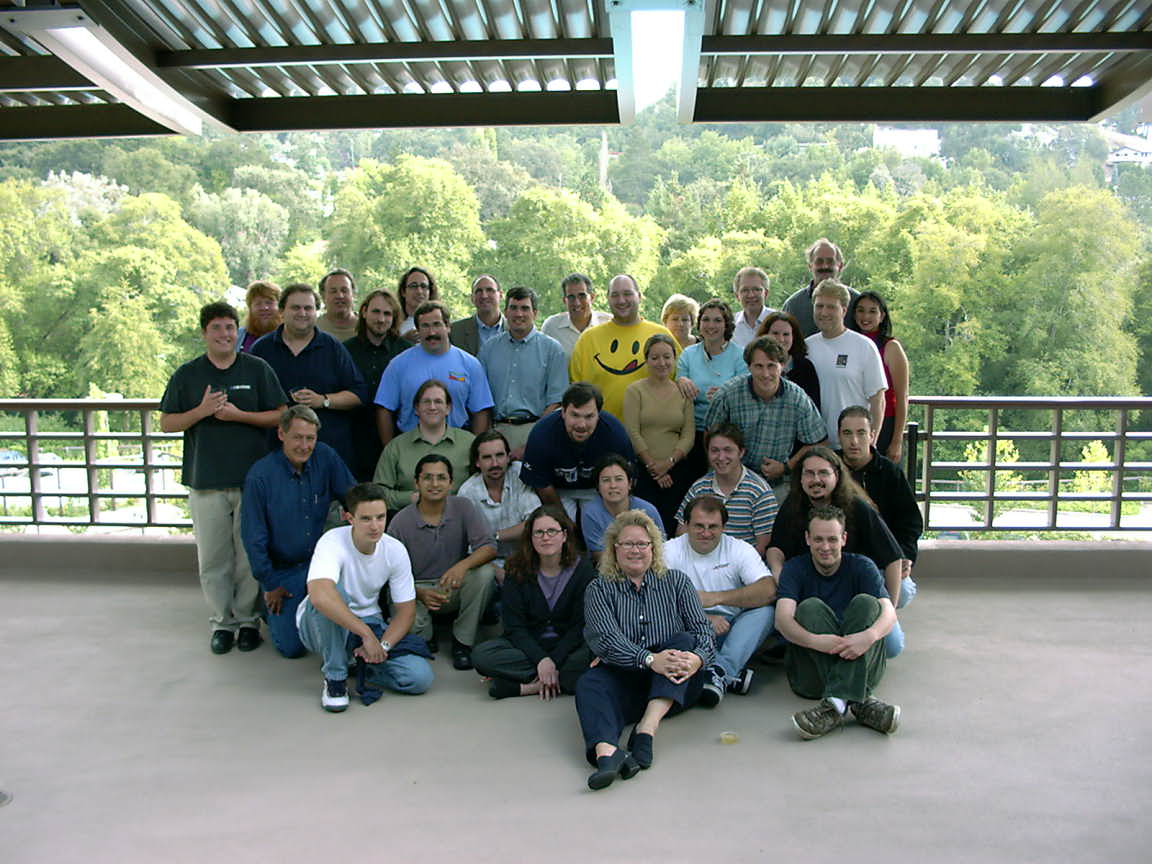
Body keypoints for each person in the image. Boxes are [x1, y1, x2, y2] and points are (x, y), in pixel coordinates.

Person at [160, 301, 286, 654]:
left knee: (248, 556)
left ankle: (247, 621)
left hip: (251, 481)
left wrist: (239, 415)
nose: (224, 334)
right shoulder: (188, 374)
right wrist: (201, 411)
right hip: (205, 481)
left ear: (237, 331)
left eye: (229, 327)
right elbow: (167, 423)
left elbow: (281, 415)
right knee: (213, 559)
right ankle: (221, 623)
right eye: (216, 327)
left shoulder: (257, 369)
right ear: (204, 333)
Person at [576, 510, 715, 790]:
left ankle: (646, 729)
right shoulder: (599, 589)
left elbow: (704, 631)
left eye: (642, 543)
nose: (635, 550)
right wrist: (650, 659)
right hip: (628, 675)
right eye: (627, 544)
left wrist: (698, 660)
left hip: (677, 683)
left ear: (653, 548)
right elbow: (606, 640)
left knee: (682, 641)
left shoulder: (677, 582)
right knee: (589, 682)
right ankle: (608, 755)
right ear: (614, 549)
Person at [295, 483, 434, 712]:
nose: (375, 526)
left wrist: (382, 646)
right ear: (349, 518)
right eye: (366, 519)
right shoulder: (331, 541)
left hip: (369, 621)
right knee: (335, 593)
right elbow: (319, 597)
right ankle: (336, 679)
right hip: (319, 623)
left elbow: (406, 612)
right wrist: (366, 634)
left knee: (420, 678)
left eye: (380, 517)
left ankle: (355, 660)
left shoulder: (395, 550)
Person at [765, 446, 906, 657]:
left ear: (837, 476)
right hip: (813, 586)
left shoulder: (858, 508)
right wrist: (780, 575)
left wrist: (888, 611)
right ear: (800, 478)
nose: (816, 480)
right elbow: (775, 548)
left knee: (892, 647)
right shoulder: (792, 507)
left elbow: (893, 558)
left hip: (857, 588)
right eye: (809, 473)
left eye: (823, 473)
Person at [241, 405, 357, 659]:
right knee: (291, 649)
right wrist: (270, 583)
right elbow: (253, 537)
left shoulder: (326, 457)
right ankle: (269, 607)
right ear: (281, 434)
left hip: (322, 564)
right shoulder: (260, 477)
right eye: (297, 437)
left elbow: (353, 496)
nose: (304, 446)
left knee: (348, 628)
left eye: (310, 438)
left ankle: (314, 609)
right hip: (284, 571)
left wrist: (361, 520)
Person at [775, 505, 900, 740]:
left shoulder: (862, 566)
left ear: (844, 539)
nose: (825, 547)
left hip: (861, 659)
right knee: (809, 608)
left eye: (832, 539)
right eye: (818, 539)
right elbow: (782, 620)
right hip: (812, 675)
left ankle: (834, 704)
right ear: (807, 539)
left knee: (866, 603)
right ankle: (860, 701)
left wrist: (869, 636)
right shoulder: (794, 568)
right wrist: (815, 641)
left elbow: (889, 614)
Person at [386, 454, 498, 670]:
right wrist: (418, 593)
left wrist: (462, 565)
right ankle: (427, 635)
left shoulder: (463, 507)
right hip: (415, 590)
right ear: (416, 483)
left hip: (451, 584)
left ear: (451, 483)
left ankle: (462, 642)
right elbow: (387, 574)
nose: (435, 484)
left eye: (441, 478)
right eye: (427, 478)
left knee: (485, 574)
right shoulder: (400, 521)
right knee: (417, 638)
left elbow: (489, 547)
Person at [472, 505, 595, 699]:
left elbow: (580, 627)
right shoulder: (516, 569)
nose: (545, 537)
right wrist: (542, 660)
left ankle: (525, 687)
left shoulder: (583, 570)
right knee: (482, 656)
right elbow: (514, 627)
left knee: (592, 658)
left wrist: (553, 661)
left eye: (552, 531)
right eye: (538, 532)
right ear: (530, 538)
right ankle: (555, 680)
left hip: (569, 647)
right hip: (529, 646)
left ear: (564, 535)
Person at [664, 495, 776, 706]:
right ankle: (726, 674)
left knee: (767, 612)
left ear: (724, 527)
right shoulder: (668, 551)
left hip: (734, 630)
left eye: (713, 527)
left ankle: (715, 670)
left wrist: (716, 598)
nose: (706, 533)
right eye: (699, 526)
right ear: (686, 525)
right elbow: (654, 600)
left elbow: (768, 590)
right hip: (690, 629)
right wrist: (704, 618)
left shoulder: (739, 549)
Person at [249, 283, 365, 469]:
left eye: (308, 308)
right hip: (274, 455)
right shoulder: (262, 349)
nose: (302, 313)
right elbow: (249, 400)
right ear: (282, 311)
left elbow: (358, 394)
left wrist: (323, 400)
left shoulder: (332, 347)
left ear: (316, 312)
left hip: (327, 454)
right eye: (295, 307)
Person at [838, 406, 921, 655]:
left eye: (861, 433)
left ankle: (882, 617)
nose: (854, 441)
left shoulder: (890, 472)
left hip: (884, 562)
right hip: (841, 561)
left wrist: (905, 555)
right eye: (847, 433)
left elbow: (911, 522)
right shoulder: (830, 469)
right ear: (839, 435)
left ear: (873, 435)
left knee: (903, 593)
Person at [704, 336, 827, 497]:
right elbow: (709, 435)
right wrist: (725, 466)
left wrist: (786, 467)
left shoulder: (797, 398)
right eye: (758, 366)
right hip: (729, 479)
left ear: (782, 366)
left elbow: (817, 442)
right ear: (749, 367)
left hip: (777, 483)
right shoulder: (728, 394)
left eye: (771, 366)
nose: (765, 374)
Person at [374, 301, 494, 446]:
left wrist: (475, 449)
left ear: (448, 327)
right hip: (411, 444)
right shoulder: (398, 365)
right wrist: (389, 449)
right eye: (425, 326)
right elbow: (384, 409)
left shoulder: (470, 364)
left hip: (457, 445)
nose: (432, 332)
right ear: (417, 330)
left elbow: (481, 410)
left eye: (437, 324)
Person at [520, 382, 635, 520]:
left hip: (598, 489)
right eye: (575, 415)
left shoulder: (615, 432)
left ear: (598, 414)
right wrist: (565, 523)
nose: (581, 424)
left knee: (604, 521)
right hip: (558, 490)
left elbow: (627, 478)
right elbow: (542, 485)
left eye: (589, 416)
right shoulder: (542, 433)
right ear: (563, 412)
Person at [569, 274, 677, 418]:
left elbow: (682, 375)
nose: (621, 300)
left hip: (651, 427)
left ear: (639, 296)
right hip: (600, 427)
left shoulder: (661, 335)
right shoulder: (588, 339)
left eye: (627, 294)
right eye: (615, 295)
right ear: (608, 298)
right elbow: (575, 389)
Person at [478, 286, 568, 456]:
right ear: (506, 312)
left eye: (525, 308)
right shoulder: (489, 349)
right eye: (513, 308)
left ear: (535, 313)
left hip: (536, 430)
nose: (519, 314)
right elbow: (480, 398)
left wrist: (535, 439)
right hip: (496, 432)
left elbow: (556, 401)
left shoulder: (552, 350)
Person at [623, 333, 695, 534]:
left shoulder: (683, 392)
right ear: (646, 360)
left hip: (676, 470)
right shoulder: (635, 391)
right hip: (643, 470)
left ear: (674, 359)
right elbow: (632, 431)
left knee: (673, 526)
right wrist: (653, 467)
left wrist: (668, 463)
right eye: (655, 357)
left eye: (667, 357)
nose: (661, 363)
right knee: (645, 527)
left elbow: (688, 435)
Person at [675, 424, 777, 557]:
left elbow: (762, 547)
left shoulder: (760, 492)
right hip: (701, 560)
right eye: (715, 450)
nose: (721, 457)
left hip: (743, 564)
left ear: (741, 452)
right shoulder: (699, 488)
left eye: (728, 450)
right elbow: (681, 533)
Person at [805, 279, 887, 444]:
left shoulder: (863, 346)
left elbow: (878, 400)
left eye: (831, 307)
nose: (824, 312)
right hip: (816, 445)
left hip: (853, 445)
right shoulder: (806, 347)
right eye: (819, 306)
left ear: (843, 310)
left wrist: (871, 444)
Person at [373, 379, 474, 512]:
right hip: (410, 519)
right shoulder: (396, 447)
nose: (432, 407)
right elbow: (378, 493)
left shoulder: (469, 442)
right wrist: (410, 498)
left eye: (438, 401)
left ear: (448, 408)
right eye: (426, 402)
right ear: (416, 408)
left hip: (460, 517)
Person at [675, 298, 747, 478]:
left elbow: (744, 393)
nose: (711, 325)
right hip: (692, 431)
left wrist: (725, 394)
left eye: (717, 320)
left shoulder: (740, 356)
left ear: (726, 325)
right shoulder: (688, 354)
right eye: (706, 319)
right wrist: (681, 380)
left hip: (726, 432)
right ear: (699, 324)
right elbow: (678, 385)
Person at [343, 289, 408, 480]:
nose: (381, 319)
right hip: (355, 439)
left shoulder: (405, 351)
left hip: (397, 437)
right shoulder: (345, 351)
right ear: (364, 312)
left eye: (387, 314)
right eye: (376, 312)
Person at [457, 430, 541, 575]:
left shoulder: (520, 474)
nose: (495, 463)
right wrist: (497, 573)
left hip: (527, 556)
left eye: (500, 455)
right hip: (488, 564)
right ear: (477, 462)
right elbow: (468, 548)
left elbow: (535, 522)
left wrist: (494, 536)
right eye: (487, 457)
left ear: (508, 457)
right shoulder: (467, 492)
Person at [848, 290, 910, 462]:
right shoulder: (849, 344)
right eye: (860, 310)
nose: (865, 316)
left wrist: (897, 440)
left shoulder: (891, 347)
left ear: (882, 316)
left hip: (885, 424)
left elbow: (902, 397)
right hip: (855, 424)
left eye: (872, 311)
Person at [581, 454, 665, 561]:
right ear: (598, 486)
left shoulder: (648, 510)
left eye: (619, 479)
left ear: (630, 483)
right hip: (608, 567)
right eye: (606, 480)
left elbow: (661, 548)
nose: (613, 485)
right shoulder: (590, 512)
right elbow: (598, 554)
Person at [781, 238, 859, 337]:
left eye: (830, 261)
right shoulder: (793, 305)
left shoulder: (857, 302)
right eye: (819, 261)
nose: (825, 266)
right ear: (810, 266)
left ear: (840, 266)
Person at [757, 311, 821, 410]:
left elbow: (814, 407)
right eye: (775, 333)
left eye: (786, 334)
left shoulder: (805, 367)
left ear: (793, 337)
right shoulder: (755, 365)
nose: (781, 339)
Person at [540, 273, 611, 357]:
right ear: (564, 301)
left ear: (592, 297)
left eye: (582, 296)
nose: (577, 303)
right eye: (571, 297)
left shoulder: (608, 323)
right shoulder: (551, 327)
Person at [450, 274, 505, 356]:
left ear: (500, 295)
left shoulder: (515, 329)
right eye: (479, 291)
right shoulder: (455, 331)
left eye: (490, 290)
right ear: (472, 298)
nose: (484, 296)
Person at [731, 266, 775, 347]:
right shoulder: (730, 325)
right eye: (745, 290)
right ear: (737, 296)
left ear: (766, 293)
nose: (751, 295)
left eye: (756, 289)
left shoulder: (778, 321)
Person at [315, 268, 358, 342]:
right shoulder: (313, 329)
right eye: (333, 291)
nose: (340, 296)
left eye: (344, 290)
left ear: (353, 294)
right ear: (323, 296)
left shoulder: (366, 328)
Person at [237, 280, 280, 353]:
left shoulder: (291, 336)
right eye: (258, 303)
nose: (264, 308)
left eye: (269, 302)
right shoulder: (238, 336)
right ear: (250, 308)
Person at [396, 266, 438, 341]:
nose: (419, 291)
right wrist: (403, 341)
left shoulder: (440, 323)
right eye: (413, 286)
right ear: (403, 292)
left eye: (423, 286)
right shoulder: (393, 324)